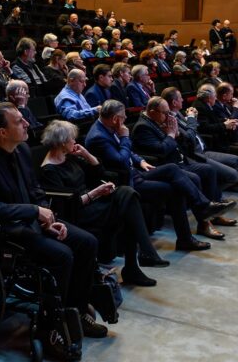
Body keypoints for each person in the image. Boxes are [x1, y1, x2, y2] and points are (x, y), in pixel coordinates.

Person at [0, 103, 106, 352]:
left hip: (30, 223)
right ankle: (50, 325)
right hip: (2, 231)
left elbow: (35, 190)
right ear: (2, 132)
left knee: (87, 242)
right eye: (19, 121)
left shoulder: (21, 151)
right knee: (62, 255)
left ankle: (77, 311)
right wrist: (33, 211)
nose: (27, 123)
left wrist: (48, 218)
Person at [85, 101, 232, 250]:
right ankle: (188, 235)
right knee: (176, 190)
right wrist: (124, 138)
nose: (125, 120)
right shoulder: (99, 136)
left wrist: (140, 160)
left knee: (172, 169)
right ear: (116, 118)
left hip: (135, 172)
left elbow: (127, 153)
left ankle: (203, 208)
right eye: (123, 117)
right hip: (125, 181)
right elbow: (120, 160)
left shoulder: (109, 127)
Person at [39, 120, 161, 287]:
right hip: (80, 212)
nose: (75, 142)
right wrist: (96, 192)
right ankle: (139, 261)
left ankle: (141, 259)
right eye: (72, 139)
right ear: (62, 143)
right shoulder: (49, 170)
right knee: (128, 203)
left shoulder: (68, 158)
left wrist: (87, 155)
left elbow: (100, 173)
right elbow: (68, 204)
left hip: (92, 201)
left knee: (128, 196)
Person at [131, 97, 238, 229]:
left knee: (209, 170)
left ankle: (214, 213)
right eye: (165, 113)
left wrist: (177, 134)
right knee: (195, 177)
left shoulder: (160, 120)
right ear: (153, 112)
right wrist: (170, 135)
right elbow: (161, 150)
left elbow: (186, 139)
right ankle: (204, 224)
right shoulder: (143, 127)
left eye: (169, 112)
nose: (168, 115)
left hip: (181, 159)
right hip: (166, 165)